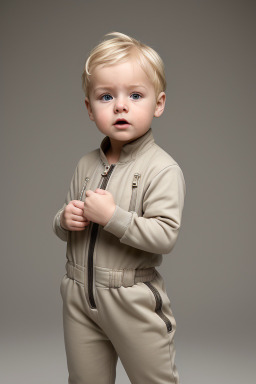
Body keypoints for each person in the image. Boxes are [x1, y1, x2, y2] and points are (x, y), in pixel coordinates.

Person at [52, 31, 186, 384]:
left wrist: (113, 218)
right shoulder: (85, 164)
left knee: (153, 379)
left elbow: (165, 236)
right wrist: (64, 220)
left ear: (158, 104)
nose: (120, 106)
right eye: (106, 96)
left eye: (136, 95)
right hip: (80, 295)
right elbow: (62, 221)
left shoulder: (162, 169)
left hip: (131, 299)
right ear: (89, 108)